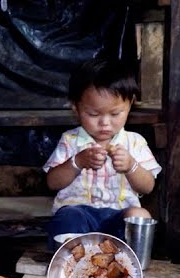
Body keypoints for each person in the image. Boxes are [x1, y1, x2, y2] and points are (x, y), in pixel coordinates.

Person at [42, 58, 162, 251]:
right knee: (67, 217)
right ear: (76, 108)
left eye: (115, 114)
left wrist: (132, 166)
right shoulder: (70, 140)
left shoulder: (134, 142)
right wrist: (77, 162)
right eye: (94, 115)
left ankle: (130, 264)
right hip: (79, 213)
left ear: (130, 104)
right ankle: (71, 263)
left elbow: (148, 186)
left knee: (140, 215)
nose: (105, 123)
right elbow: (52, 182)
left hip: (119, 216)